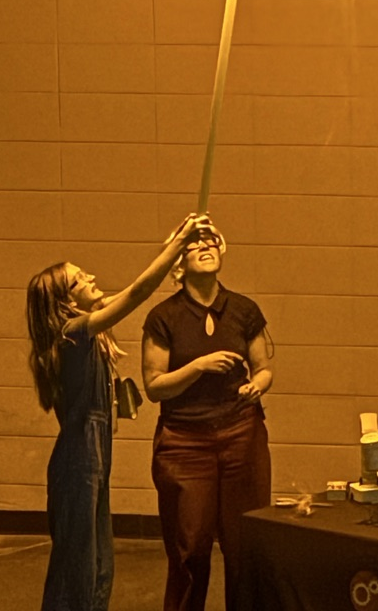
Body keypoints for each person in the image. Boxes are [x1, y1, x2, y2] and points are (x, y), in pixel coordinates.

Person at [26, 213, 204, 611]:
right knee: (77, 569)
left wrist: (173, 242)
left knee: (100, 566)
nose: (90, 277)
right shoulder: (72, 333)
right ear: (67, 301)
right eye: (79, 279)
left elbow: (130, 290)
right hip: (77, 461)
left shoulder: (86, 334)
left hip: (93, 458)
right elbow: (137, 292)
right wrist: (178, 247)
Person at [141, 215, 273, 611]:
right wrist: (199, 366)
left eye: (212, 242)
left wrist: (258, 385)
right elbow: (153, 386)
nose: (206, 247)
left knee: (244, 545)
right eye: (195, 244)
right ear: (177, 265)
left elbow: (264, 368)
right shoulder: (163, 317)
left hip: (241, 434)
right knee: (190, 550)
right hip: (184, 443)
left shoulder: (244, 309)